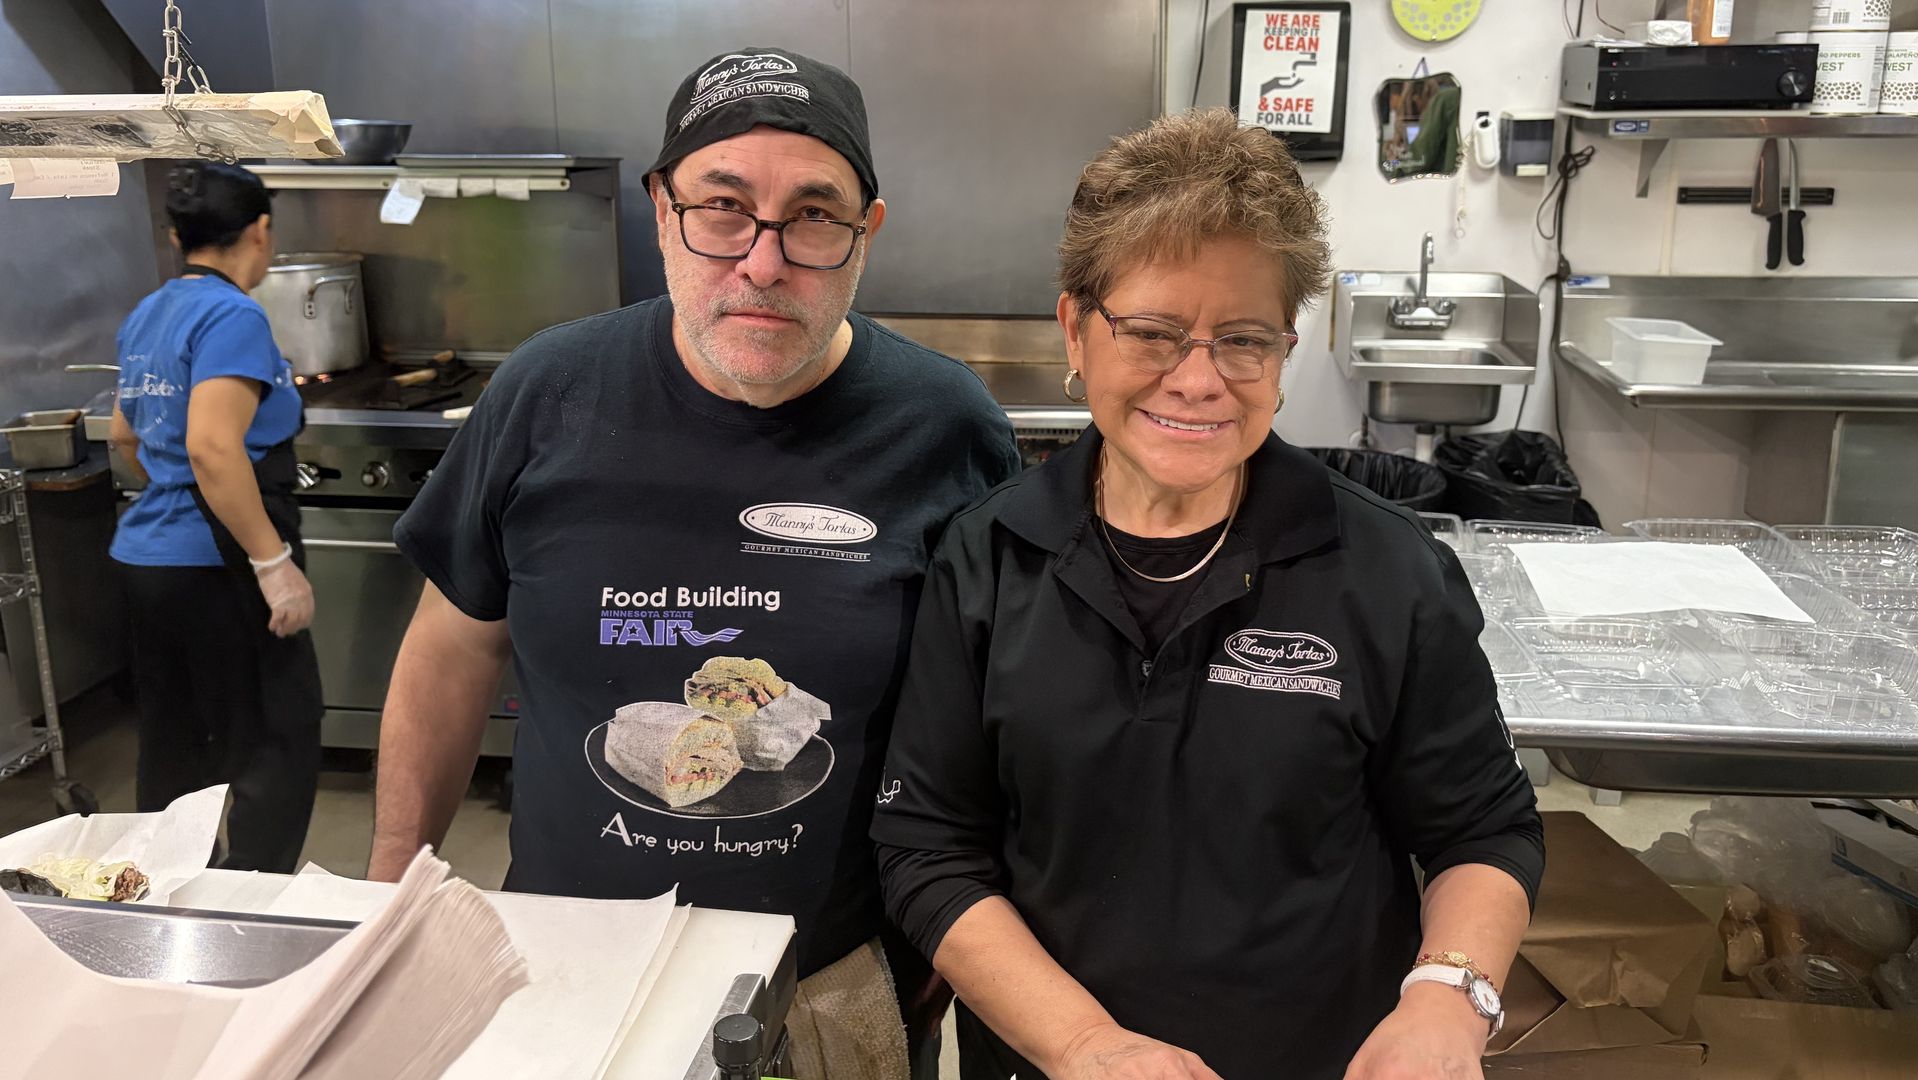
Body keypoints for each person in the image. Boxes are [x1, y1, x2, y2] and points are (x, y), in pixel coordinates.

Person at [371, 47, 1018, 1079]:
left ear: (867, 232)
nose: (763, 262)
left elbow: (994, 713)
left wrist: (959, 931)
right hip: (564, 965)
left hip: (832, 986)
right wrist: (389, 896)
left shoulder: (946, 426)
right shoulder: (546, 393)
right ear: (662, 211)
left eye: (814, 215)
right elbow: (451, 650)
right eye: (723, 207)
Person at [871, 108, 1544, 1080]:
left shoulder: (1384, 569)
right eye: (1152, 333)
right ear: (1075, 330)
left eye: (1243, 339)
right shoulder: (988, 559)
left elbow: (1482, 830)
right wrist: (1087, 1046)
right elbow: (928, 850)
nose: (1198, 380)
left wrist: (1448, 996)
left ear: (1284, 349)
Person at [108, 161, 321, 873]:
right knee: (275, 738)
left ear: (177, 237)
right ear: (260, 231)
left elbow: (126, 436)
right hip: (217, 563)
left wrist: (172, 493)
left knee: (177, 739)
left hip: (148, 558)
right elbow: (211, 446)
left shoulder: (149, 312)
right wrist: (272, 563)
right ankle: (250, 897)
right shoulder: (233, 315)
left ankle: (166, 890)